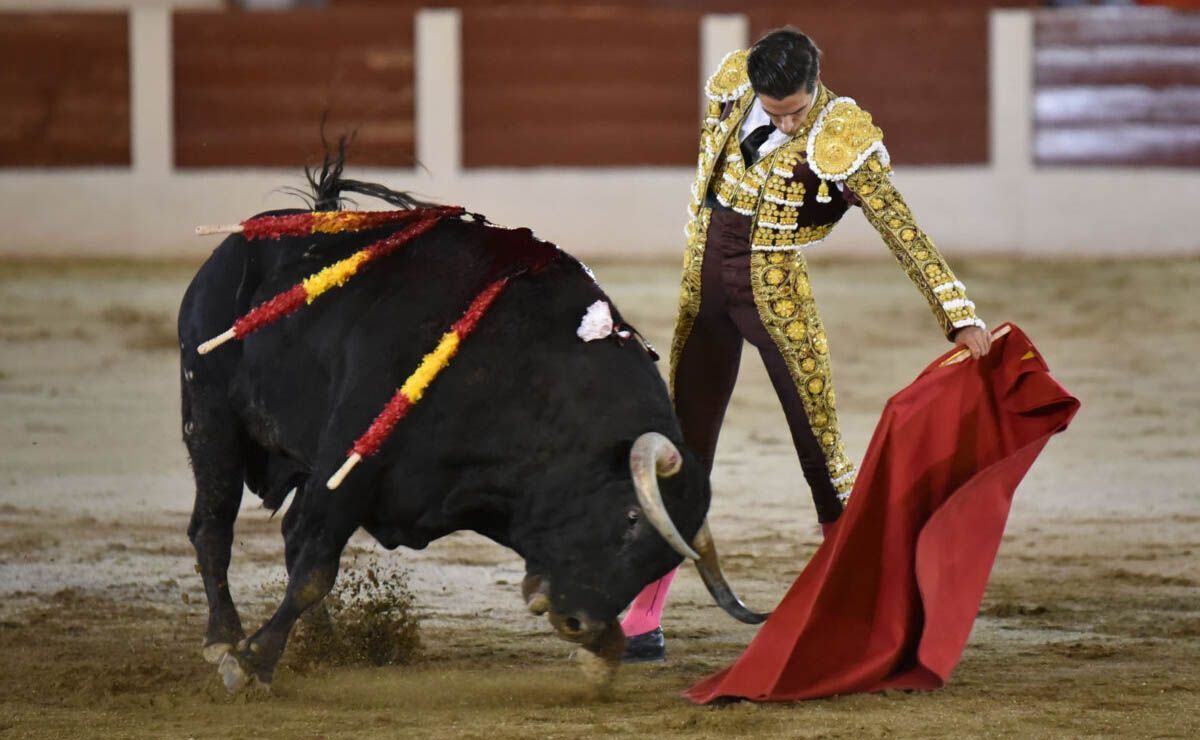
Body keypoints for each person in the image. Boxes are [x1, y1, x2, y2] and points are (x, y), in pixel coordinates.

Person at [621, 27, 992, 663]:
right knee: (682, 450)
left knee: (822, 455)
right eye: (774, 111)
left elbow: (901, 228)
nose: (787, 123)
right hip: (703, 287)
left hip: (775, 294)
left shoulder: (840, 133)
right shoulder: (737, 85)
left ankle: (865, 616)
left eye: (795, 111)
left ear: (814, 86)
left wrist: (956, 313)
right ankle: (642, 617)